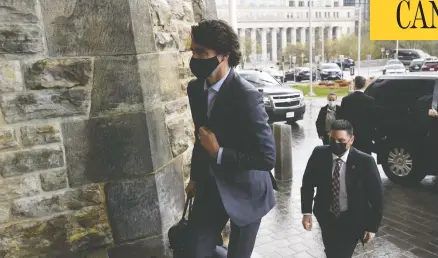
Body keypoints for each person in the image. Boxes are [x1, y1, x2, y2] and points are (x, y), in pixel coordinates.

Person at [185, 20, 277, 258]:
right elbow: (201, 135)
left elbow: (267, 158)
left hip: (247, 190)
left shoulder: (247, 96)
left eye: (201, 53)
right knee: (195, 250)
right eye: (193, 51)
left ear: (223, 55)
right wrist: (195, 178)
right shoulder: (195, 89)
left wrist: (219, 153)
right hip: (212, 185)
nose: (194, 58)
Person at [301, 120, 383, 258]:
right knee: (330, 250)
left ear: (351, 140)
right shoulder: (319, 154)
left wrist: (372, 227)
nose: (336, 144)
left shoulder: (365, 161)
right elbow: (308, 183)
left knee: (343, 253)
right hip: (326, 215)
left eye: (341, 140)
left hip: (352, 218)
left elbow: (376, 196)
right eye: (332, 139)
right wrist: (307, 212)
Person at [338, 76, 376, 154]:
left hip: (350, 136)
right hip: (365, 136)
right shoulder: (370, 100)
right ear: (364, 85)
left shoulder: (346, 100)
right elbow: (373, 119)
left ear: (354, 84)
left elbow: (341, 119)